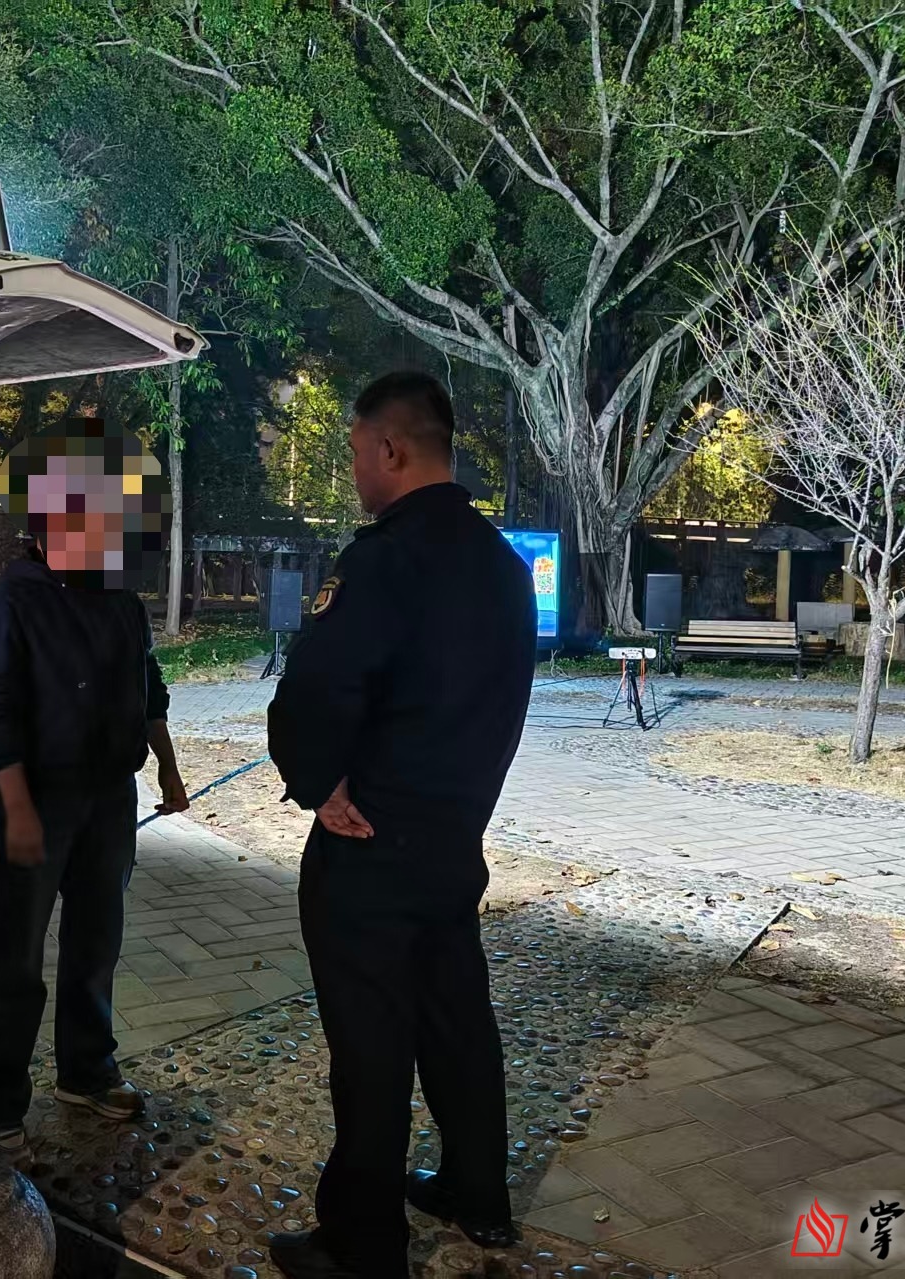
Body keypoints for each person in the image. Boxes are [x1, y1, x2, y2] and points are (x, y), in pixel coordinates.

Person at [266, 372, 538, 1277]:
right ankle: (477, 1189)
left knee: (370, 1043)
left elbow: (315, 688)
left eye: (354, 451)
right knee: (457, 1016)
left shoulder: (385, 560)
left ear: (390, 448)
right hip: (455, 836)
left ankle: (363, 1241)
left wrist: (316, 781)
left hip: (368, 842)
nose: (354, 472)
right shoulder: (503, 567)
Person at [0, 420, 190, 1160]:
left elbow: (149, 685)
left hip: (109, 799)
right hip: (35, 801)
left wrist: (168, 768)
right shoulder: (6, 606)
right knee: (15, 956)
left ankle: (87, 1071)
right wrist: (18, 806)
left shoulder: (120, 600)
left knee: (97, 941)